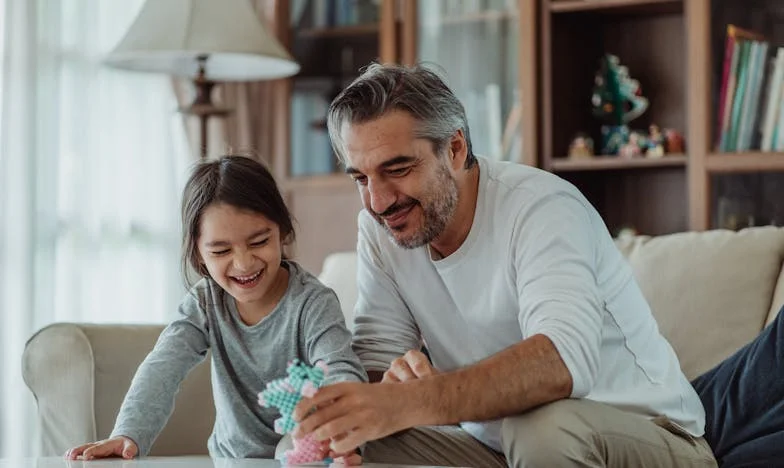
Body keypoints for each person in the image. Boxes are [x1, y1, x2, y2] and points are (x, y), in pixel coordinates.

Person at [291, 63, 718, 467]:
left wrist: (417, 400)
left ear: (454, 149)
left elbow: (564, 362)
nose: (378, 201)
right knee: (343, 439)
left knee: (541, 428)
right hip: (498, 448)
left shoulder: (541, 207)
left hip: (649, 436)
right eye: (361, 179)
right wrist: (368, 398)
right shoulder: (379, 227)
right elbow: (377, 364)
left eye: (398, 169)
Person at [64, 155, 366, 463]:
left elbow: (340, 368)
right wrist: (127, 433)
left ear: (282, 230)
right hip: (229, 461)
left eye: (259, 241)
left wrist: (342, 435)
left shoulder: (312, 302)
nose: (244, 263)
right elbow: (163, 368)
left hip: (304, 457)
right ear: (198, 252)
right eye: (221, 250)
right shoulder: (205, 302)